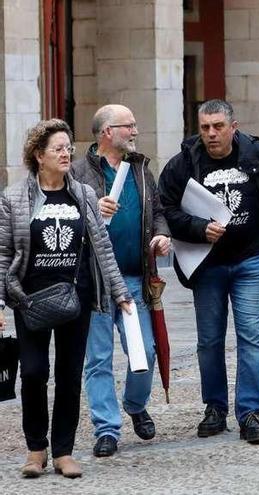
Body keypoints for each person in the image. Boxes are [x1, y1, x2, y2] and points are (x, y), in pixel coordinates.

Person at [0, 119, 132, 478]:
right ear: (38, 155)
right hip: (30, 298)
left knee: (70, 374)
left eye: (68, 147)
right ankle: (35, 450)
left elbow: (102, 248)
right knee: (33, 372)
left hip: (76, 295)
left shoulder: (84, 194)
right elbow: (2, 252)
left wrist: (120, 292)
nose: (65, 153)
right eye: (57, 148)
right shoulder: (13, 198)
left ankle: (63, 451)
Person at [158, 99, 259, 444]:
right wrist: (198, 227)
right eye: (205, 127)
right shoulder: (183, 164)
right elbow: (166, 209)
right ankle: (215, 408)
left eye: (218, 126)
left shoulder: (258, 155)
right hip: (207, 265)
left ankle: (250, 412)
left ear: (233, 127)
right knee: (209, 340)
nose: (211, 134)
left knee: (252, 337)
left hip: (250, 260)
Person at [71, 104, 171, 458]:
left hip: (133, 278)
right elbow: (66, 222)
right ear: (106, 133)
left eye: (134, 124)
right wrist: (92, 212)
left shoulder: (142, 169)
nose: (135, 131)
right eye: (128, 126)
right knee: (97, 359)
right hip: (94, 282)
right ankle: (106, 429)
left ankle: (134, 403)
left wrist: (161, 236)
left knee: (144, 352)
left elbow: (157, 212)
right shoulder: (77, 172)